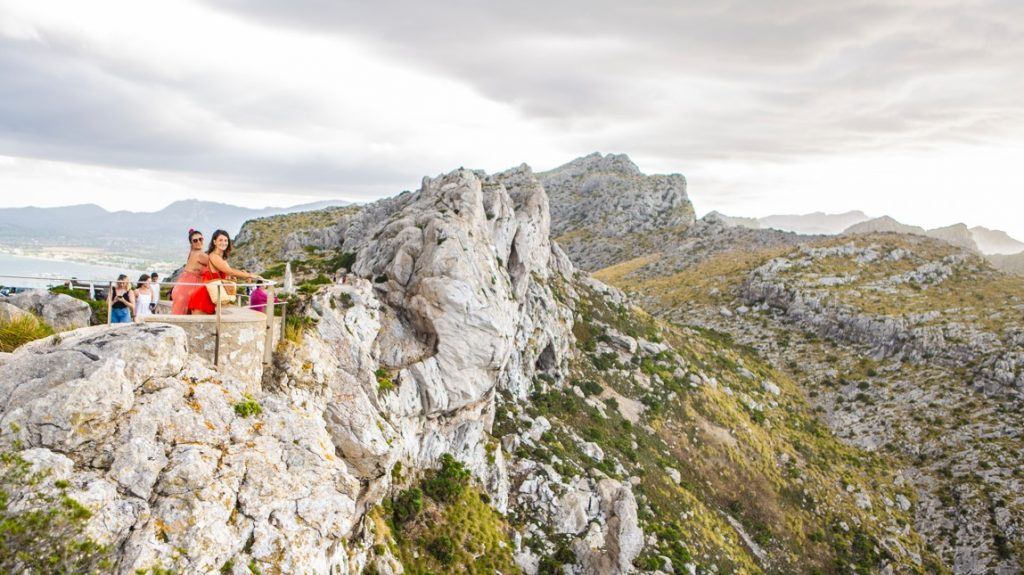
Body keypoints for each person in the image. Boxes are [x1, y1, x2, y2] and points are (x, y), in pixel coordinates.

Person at [187, 229, 261, 315]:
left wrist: (241, 274)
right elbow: (229, 271)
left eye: (226, 240)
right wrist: (249, 275)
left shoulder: (220, 257)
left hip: (211, 296)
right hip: (203, 298)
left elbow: (226, 272)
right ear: (214, 242)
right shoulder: (214, 256)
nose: (224, 243)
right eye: (220, 240)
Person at [171, 229, 210, 314]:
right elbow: (217, 265)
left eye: (200, 239)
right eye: (195, 241)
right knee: (180, 320)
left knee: (179, 318)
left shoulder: (192, 252)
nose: (199, 242)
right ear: (191, 243)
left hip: (181, 287)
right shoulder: (200, 255)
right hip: (186, 290)